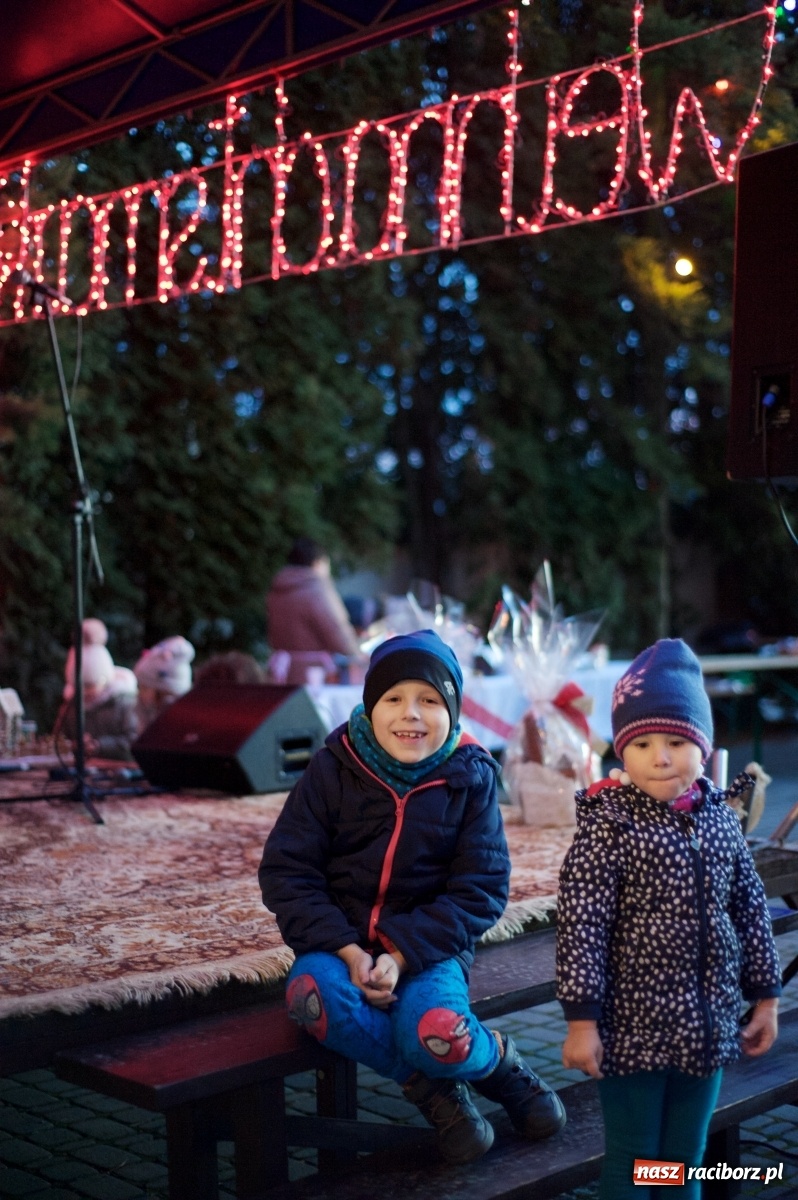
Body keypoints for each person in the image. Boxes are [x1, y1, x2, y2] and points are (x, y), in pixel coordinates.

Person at [259, 629, 566, 1164]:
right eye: (393, 699)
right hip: (339, 947)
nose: (411, 715)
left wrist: (399, 957)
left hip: (427, 951)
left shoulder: (470, 778)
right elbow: (288, 870)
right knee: (310, 997)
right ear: (370, 705)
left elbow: (481, 889)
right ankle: (432, 1090)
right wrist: (351, 953)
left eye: (430, 700)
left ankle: (497, 1064)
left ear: (452, 709)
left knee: (434, 1031)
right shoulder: (333, 766)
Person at [556, 638, 781, 1199]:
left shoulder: (721, 822)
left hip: (708, 1029)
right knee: (635, 1158)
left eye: (677, 741)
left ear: (702, 747)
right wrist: (582, 1020)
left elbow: (751, 911)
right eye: (644, 743)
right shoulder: (609, 825)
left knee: (683, 1159)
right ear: (621, 752)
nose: (661, 757)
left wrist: (768, 997)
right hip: (631, 1030)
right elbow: (582, 924)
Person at [265, 538, 362, 685]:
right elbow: (336, 632)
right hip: (316, 675)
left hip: (282, 673)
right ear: (318, 562)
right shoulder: (316, 589)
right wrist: (357, 652)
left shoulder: (277, 588)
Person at [57, 618, 139, 760]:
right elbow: (58, 739)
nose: (88, 694)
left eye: (92, 687)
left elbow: (134, 740)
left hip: (119, 772)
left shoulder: (124, 703)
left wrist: (100, 745)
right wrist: (73, 745)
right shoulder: (71, 706)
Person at [133, 635, 195, 732]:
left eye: (144, 688)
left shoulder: (175, 724)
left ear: (163, 692)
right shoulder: (146, 712)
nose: (139, 693)